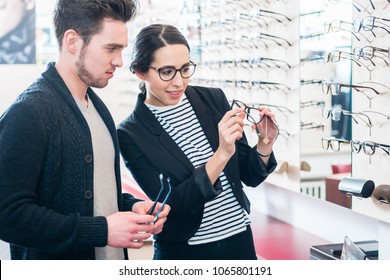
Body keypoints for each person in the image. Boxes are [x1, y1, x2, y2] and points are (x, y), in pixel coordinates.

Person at [0, 0, 170, 260]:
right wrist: (101, 230)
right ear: (72, 41)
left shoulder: (96, 106)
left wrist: (131, 206)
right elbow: (8, 215)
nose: (119, 61)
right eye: (110, 48)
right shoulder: (30, 112)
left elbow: (88, 192)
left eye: (122, 49)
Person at [117, 23, 278, 260]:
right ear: (140, 72)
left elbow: (249, 176)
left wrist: (265, 143)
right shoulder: (131, 133)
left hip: (240, 242)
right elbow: (175, 204)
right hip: (186, 252)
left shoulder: (213, 99)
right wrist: (221, 154)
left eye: (184, 69)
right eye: (167, 72)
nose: (179, 82)